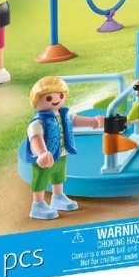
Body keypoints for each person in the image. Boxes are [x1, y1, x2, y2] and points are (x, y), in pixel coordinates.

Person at [24, 77, 104, 220]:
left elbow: (75, 120)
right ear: (36, 100)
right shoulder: (38, 122)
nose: (56, 100)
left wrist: (93, 122)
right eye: (49, 98)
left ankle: (58, 197)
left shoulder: (63, 115)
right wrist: (41, 153)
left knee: (59, 176)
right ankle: (38, 205)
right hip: (46, 157)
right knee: (41, 179)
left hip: (61, 154)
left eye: (61, 96)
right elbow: (36, 137)